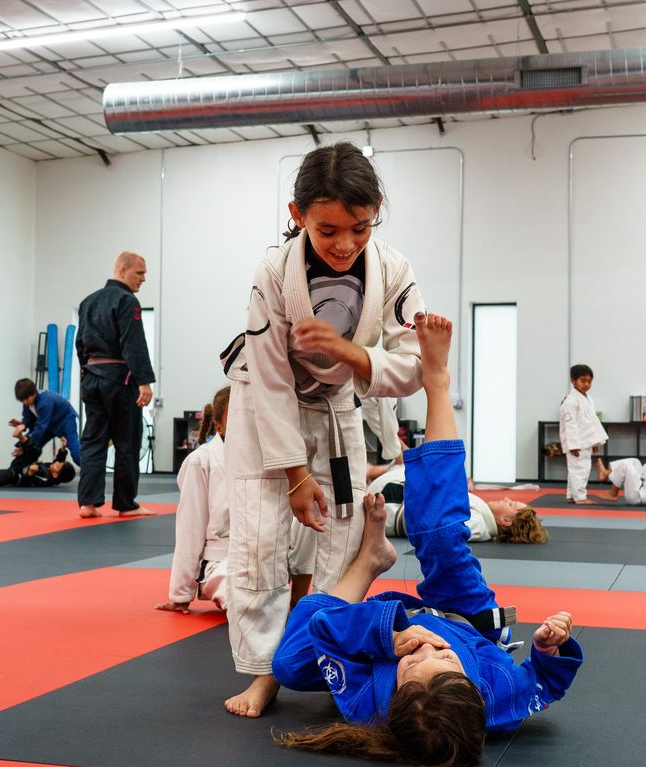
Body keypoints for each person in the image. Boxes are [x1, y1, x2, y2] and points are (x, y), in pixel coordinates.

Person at [271, 313, 582, 767]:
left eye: (415, 663)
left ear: (394, 694)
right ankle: (438, 382)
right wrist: (548, 648)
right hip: (469, 619)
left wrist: (388, 641)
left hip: (383, 630)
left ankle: (368, 562)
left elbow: (321, 631)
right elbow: (545, 683)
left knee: (289, 665)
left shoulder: (366, 701)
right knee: (437, 534)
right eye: (444, 658)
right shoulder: (499, 699)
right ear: (472, 684)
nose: (429, 647)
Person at [220, 142, 426, 718]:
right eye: (327, 228)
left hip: (338, 405)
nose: (344, 244)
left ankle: (323, 656)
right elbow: (269, 379)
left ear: (376, 211)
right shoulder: (271, 272)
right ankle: (262, 673)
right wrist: (292, 475)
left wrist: (349, 352)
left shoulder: (394, 269)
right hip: (263, 406)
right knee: (260, 540)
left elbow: (412, 367)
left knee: (343, 530)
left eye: (360, 228)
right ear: (298, 215)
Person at [156, 386, 314, 614]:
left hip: (272, 558)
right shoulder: (201, 461)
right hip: (223, 563)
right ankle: (276, 604)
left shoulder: (278, 460)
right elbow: (190, 529)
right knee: (254, 610)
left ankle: (298, 596)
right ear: (219, 426)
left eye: (254, 414)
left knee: (312, 513)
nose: (248, 423)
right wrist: (181, 593)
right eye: (238, 416)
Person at [75, 252, 156, 519]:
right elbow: (133, 343)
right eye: (139, 273)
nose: (143, 279)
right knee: (127, 440)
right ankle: (126, 504)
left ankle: (88, 504)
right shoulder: (127, 301)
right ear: (122, 270)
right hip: (119, 378)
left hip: (92, 376)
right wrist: (144, 382)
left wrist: (86, 372)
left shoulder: (88, 301)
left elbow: (80, 344)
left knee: (93, 440)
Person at [367, 460, 548, 544]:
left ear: (506, 521)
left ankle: (369, 472)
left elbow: (440, 527)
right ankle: (370, 471)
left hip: (391, 503)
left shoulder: (478, 524)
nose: (507, 498)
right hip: (396, 496)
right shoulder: (482, 517)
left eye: (511, 505)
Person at [558, 364, 607, 504]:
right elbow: (570, 425)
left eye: (589, 381)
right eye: (583, 380)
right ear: (573, 381)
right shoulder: (570, 401)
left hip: (586, 440)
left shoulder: (588, 399)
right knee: (579, 470)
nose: (586, 384)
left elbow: (592, 422)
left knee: (578, 469)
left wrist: (595, 442)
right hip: (577, 443)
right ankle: (580, 497)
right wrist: (573, 445)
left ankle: (571, 495)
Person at [10, 378, 81, 465]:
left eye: (26, 399)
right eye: (22, 400)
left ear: (34, 393)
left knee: (76, 453)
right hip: (49, 424)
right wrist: (23, 425)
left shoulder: (45, 401)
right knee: (32, 448)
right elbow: (27, 418)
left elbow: (40, 428)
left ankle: (89, 470)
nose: (24, 402)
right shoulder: (27, 403)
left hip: (66, 420)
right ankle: (22, 472)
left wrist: (25, 441)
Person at [0, 441, 76, 488]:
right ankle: (21, 441)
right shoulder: (54, 472)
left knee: (6, 478)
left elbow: (27, 479)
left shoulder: (46, 477)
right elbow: (60, 460)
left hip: (18, 474)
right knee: (36, 450)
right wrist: (63, 449)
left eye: (58, 465)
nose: (57, 462)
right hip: (23, 463)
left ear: (55, 474)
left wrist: (30, 472)